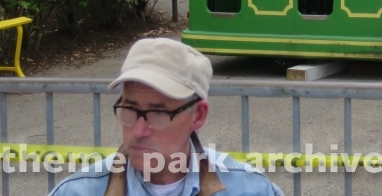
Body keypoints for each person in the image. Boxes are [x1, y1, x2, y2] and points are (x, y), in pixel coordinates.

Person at [49, 38, 283, 196]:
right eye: (130, 108)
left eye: (158, 113)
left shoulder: (250, 189)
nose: (139, 131)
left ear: (198, 115)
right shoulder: (78, 191)